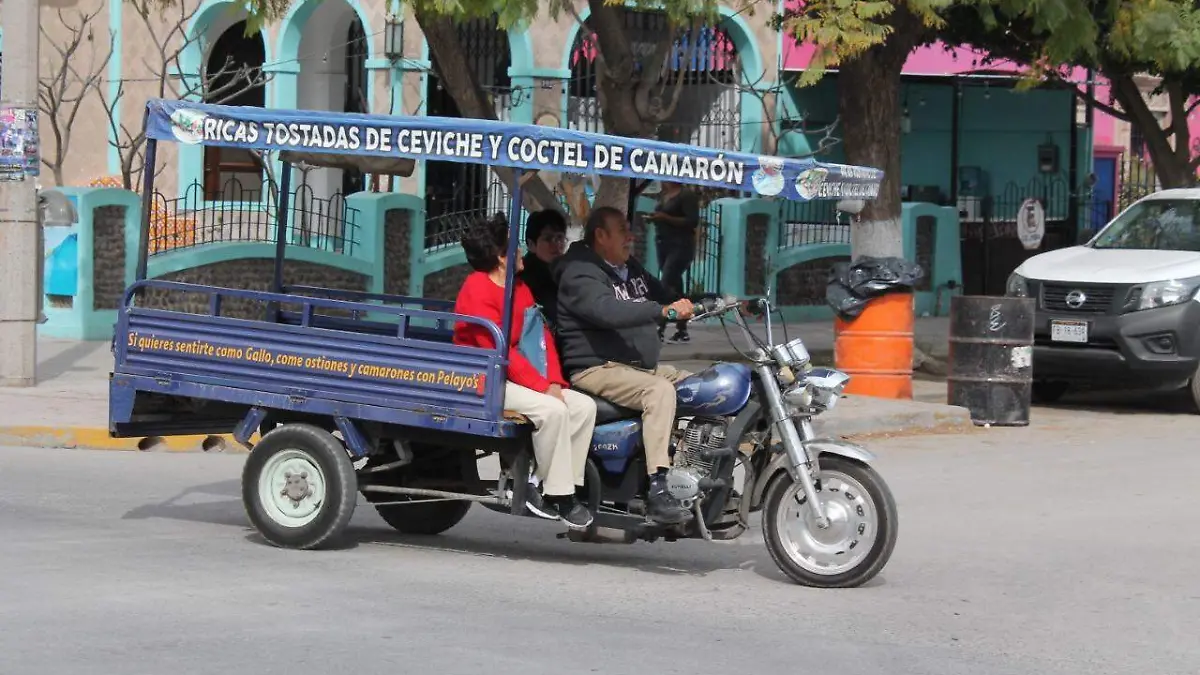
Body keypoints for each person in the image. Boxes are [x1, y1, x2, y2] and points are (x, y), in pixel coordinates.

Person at [552, 206, 697, 525]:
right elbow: (608, 311)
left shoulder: (626, 267)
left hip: (632, 366)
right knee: (659, 392)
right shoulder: (579, 271)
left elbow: (664, 295)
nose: (630, 236)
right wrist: (665, 312)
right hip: (596, 367)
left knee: (698, 385)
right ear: (600, 236)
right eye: (622, 230)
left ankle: (692, 464)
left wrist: (700, 303)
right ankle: (658, 489)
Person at [451, 215, 597, 530]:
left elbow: (540, 338)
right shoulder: (477, 290)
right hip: (484, 378)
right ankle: (560, 496)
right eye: (515, 249)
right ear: (501, 257)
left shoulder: (519, 288)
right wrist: (544, 388)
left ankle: (555, 484)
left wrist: (555, 381)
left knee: (584, 406)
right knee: (553, 410)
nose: (521, 254)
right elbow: (502, 352)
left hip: (515, 375)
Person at [646, 181, 701, 344]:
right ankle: (682, 329)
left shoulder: (686, 195)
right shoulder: (663, 195)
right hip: (663, 243)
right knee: (675, 288)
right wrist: (656, 219)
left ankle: (659, 327)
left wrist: (665, 217)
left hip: (681, 245)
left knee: (666, 283)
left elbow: (692, 221)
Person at [520, 209, 568, 323]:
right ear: (531, 244)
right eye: (548, 238)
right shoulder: (530, 277)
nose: (556, 244)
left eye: (560, 237)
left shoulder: (559, 270)